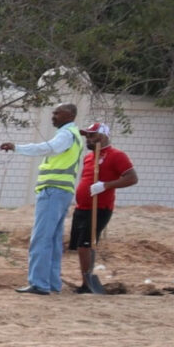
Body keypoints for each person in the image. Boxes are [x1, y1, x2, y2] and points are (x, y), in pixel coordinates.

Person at [0, 102, 80, 294]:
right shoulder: (74, 134)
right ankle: (51, 283)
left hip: (52, 191)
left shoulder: (66, 135)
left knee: (42, 238)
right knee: (52, 240)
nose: (53, 116)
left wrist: (17, 148)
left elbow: (47, 148)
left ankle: (39, 283)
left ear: (68, 115)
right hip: (62, 191)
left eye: (57, 113)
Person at [70, 121, 135, 294]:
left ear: (103, 135)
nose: (88, 139)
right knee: (80, 246)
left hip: (100, 207)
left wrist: (105, 185)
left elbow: (131, 178)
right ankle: (86, 278)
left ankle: (87, 283)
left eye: (92, 135)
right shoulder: (89, 157)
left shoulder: (117, 155)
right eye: (87, 136)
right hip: (82, 206)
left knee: (86, 244)